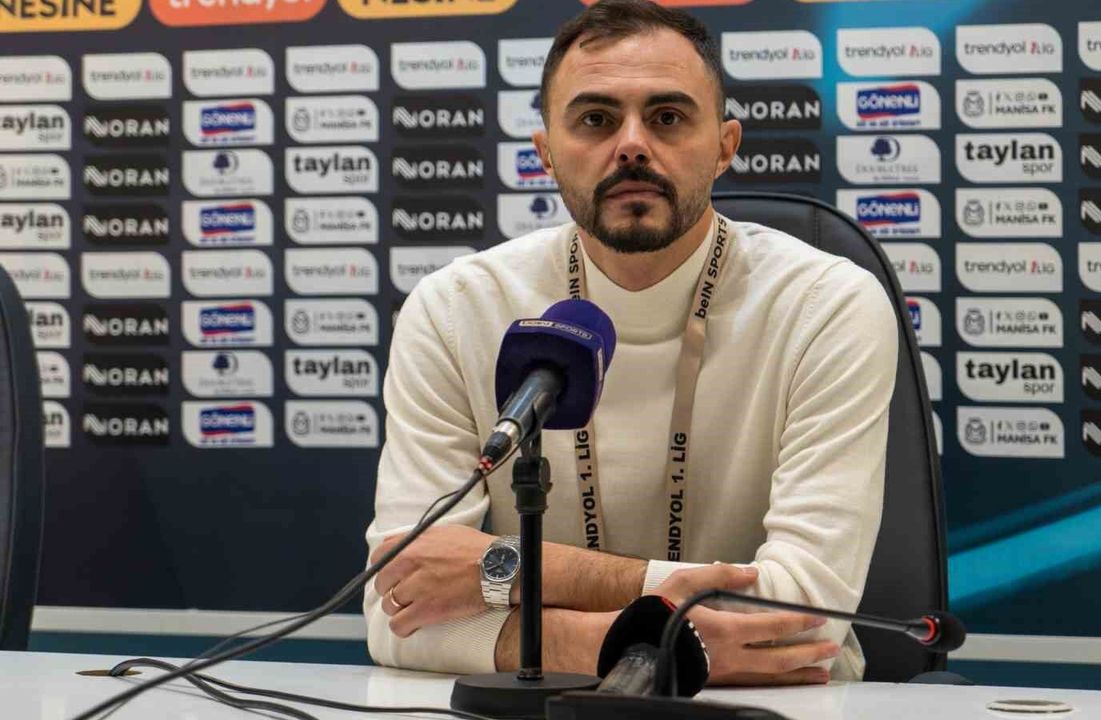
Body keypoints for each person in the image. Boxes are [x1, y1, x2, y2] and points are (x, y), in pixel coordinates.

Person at [364, 0, 897, 686]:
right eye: (596, 119)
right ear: (546, 154)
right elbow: (397, 610)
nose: (632, 145)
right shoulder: (454, 309)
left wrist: (513, 572)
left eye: (668, 117)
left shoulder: (826, 304)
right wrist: (629, 645)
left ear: (725, 146)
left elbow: (801, 617)